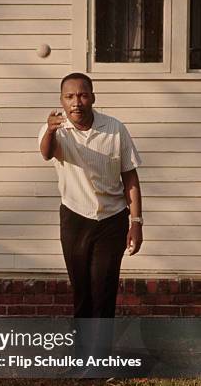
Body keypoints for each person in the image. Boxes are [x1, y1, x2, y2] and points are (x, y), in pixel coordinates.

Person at [39, 73, 143, 321]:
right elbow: (47, 153)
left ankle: (99, 358)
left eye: (83, 95)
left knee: (103, 294)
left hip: (112, 220)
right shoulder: (55, 129)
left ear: (92, 98)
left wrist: (136, 222)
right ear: (62, 101)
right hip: (75, 219)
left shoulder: (115, 129)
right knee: (82, 293)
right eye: (70, 96)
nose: (77, 102)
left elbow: (130, 177)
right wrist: (51, 132)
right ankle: (82, 356)